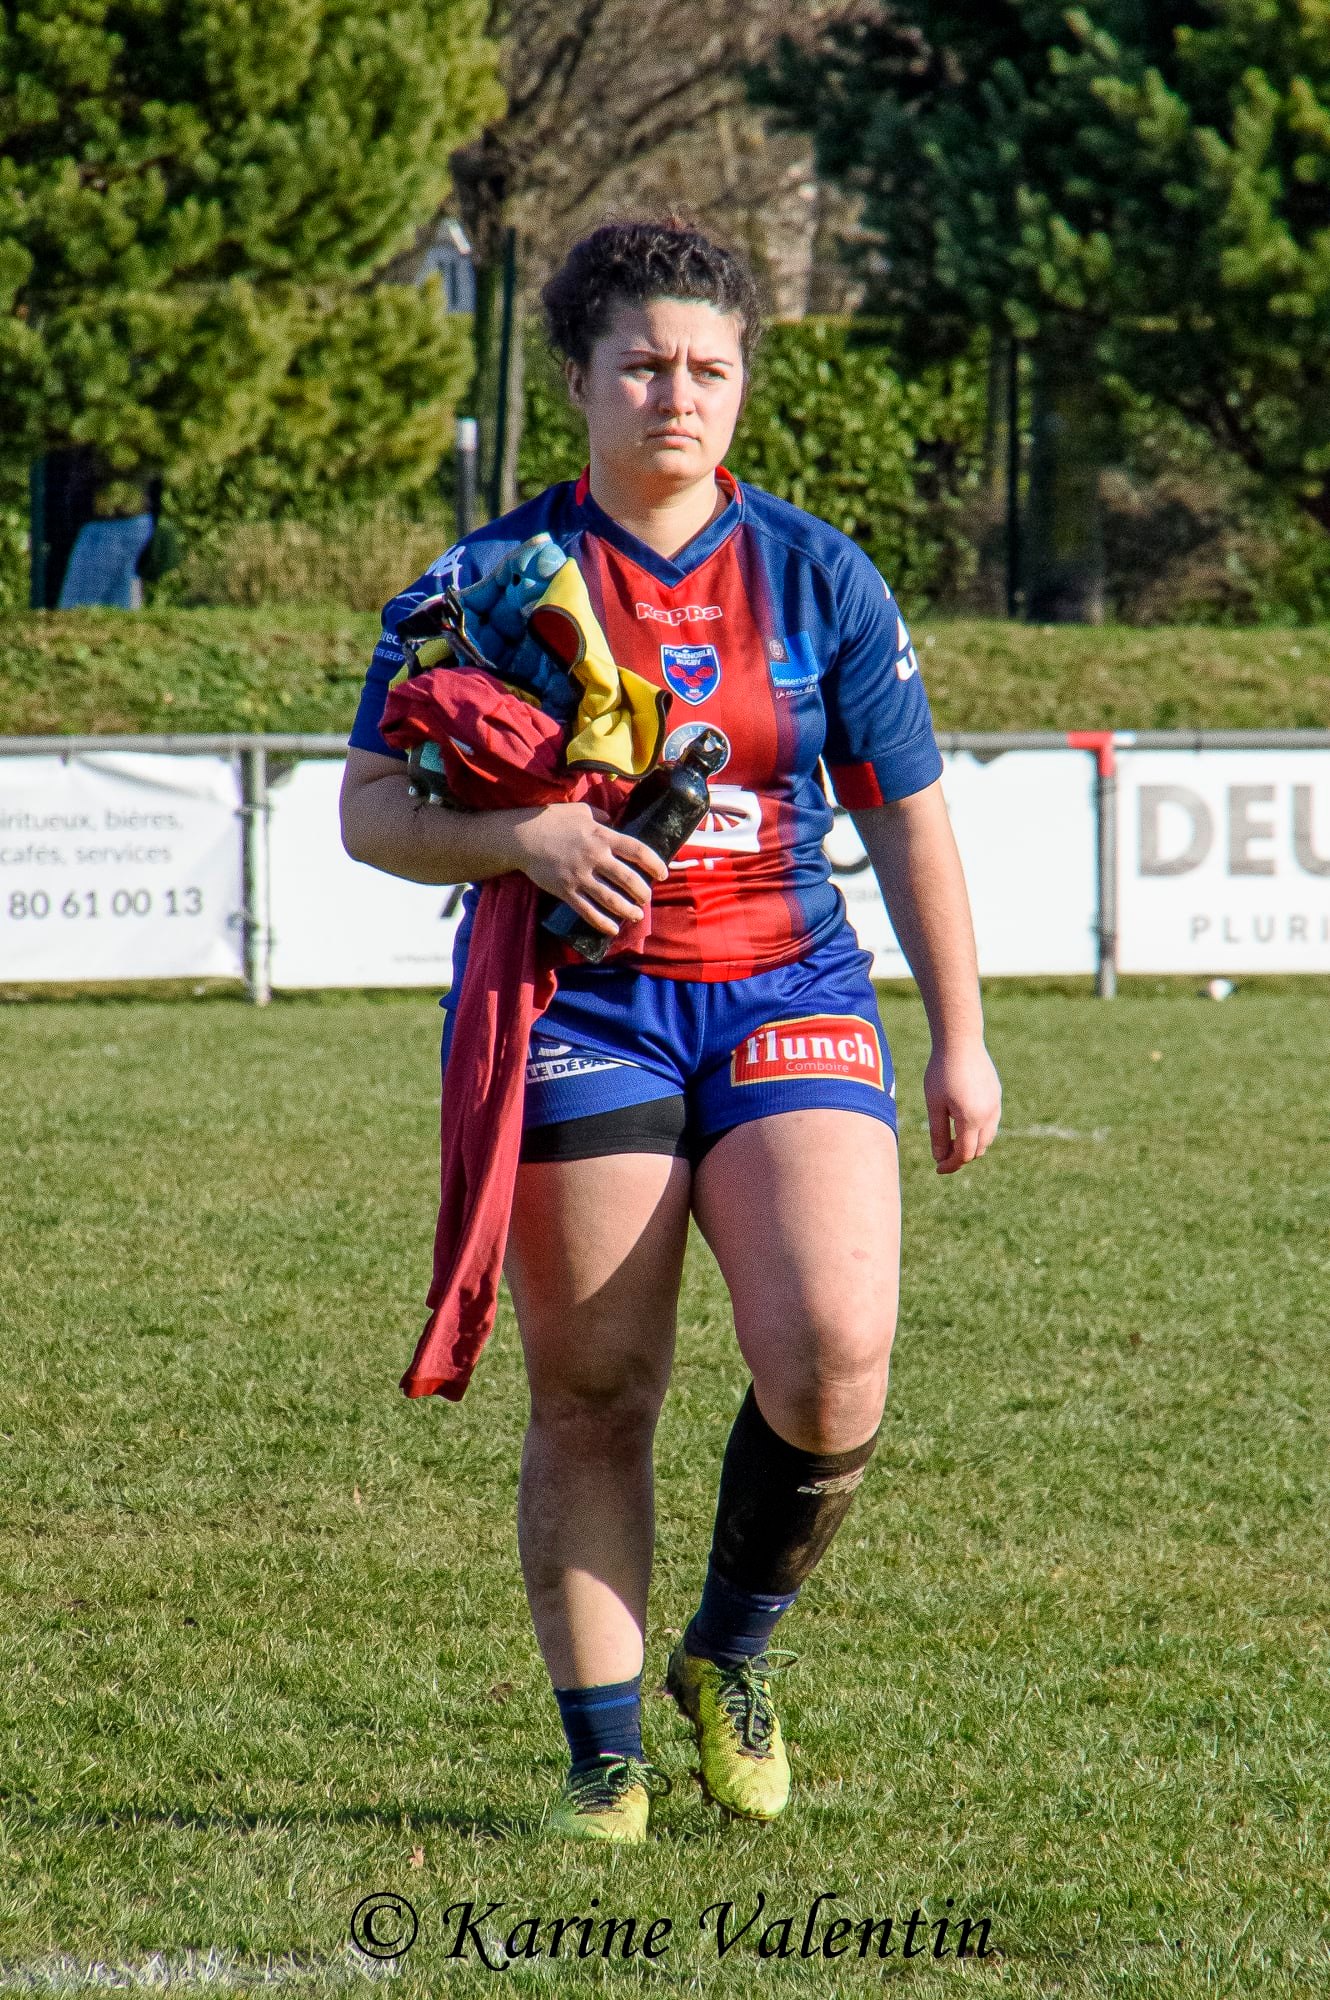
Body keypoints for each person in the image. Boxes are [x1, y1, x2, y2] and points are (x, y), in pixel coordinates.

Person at [340, 217, 1002, 1843]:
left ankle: (729, 1652)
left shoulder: (819, 574)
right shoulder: (484, 581)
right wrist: (518, 837)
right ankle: (603, 1755)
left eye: (709, 367)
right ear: (577, 378)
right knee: (594, 1390)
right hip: (581, 1007)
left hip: (787, 988)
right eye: (642, 364)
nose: (677, 396)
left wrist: (961, 1035)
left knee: (833, 1358)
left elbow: (905, 813)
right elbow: (370, 811)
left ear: (742, 386)